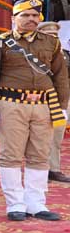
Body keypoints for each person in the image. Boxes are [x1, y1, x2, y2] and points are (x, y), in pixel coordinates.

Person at [0, 0, 69, 222]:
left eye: (35, 15)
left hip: (44, 105)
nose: (31, 19)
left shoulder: (51, 43)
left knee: (40, 154)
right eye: (25, 15)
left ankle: (36, 203)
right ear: (14, 18)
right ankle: (15, 204)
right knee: (11, 154)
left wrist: (62, 106)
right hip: (12, 104)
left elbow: (61, 76)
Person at [38, 22, 70, 183]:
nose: (53, 38)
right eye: (49, 35)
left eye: (55, 35)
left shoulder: (65, 54)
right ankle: (38, 169)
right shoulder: (32, 52)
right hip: (39, 99)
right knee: (38, 137)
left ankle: (54, 169)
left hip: (60, 99)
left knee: (57, 136)